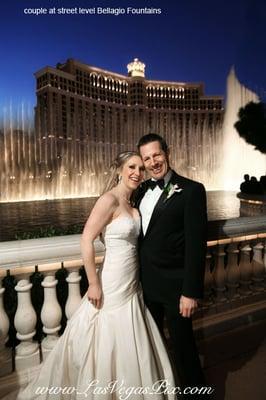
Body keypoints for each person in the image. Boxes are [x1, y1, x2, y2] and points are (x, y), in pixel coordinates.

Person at [6, 151, 176, 400]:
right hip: (110, 281)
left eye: (141, 168)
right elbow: (86, 239)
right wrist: (94, 283)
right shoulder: (109, 200)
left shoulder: (132, 203)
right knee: (103, 335)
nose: (137, 173)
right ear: (119, 170)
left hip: (131, 282)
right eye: (131, 167)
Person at [135, 134, 207, 390]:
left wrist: (190, 292)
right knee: (150, 349)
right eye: (147, 158)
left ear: (167, 153)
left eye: (157, 155)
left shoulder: (191, 190)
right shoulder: (140, 190)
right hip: (144, 287)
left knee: (184, 350)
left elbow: (196, 246)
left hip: (176, 290)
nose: (153, 162)